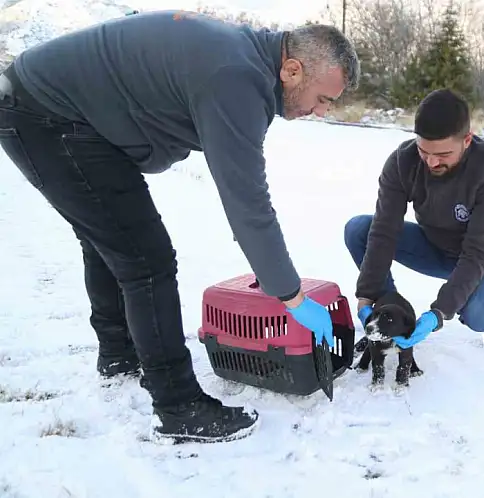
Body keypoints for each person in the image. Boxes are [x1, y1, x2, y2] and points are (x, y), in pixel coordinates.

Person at [0, 10, 359, 443]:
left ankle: (119, 355)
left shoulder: (242, 60)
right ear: (292, 69)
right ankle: (178, 405)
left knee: (110, 236)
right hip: (45, 114)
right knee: (145, 259)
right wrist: (291, 294)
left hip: (57, 111)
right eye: (323, 99)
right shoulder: (235, 78)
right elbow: (248, 206)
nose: (320, 112)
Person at [344, 89, 484, 356]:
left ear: (467, 140)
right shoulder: (403, 162)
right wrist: (367, 294)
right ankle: (392, 310)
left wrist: (439, 312)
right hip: (435, 244)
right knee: (359, 230)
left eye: (443, 154)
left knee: (478, 316)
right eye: (424, 151)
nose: (431, 161)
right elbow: (384, 231)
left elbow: (477, 253)